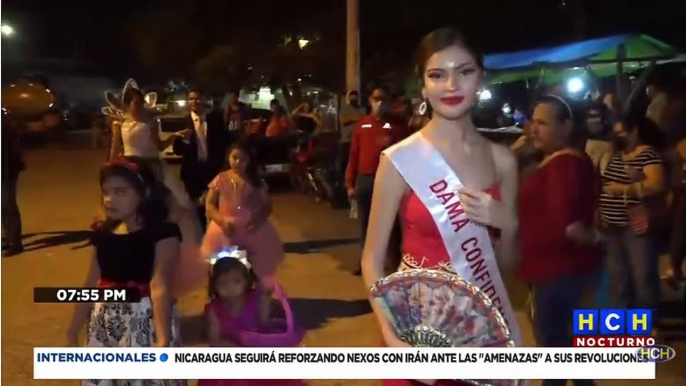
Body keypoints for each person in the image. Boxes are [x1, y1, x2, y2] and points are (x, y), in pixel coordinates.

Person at [361, 27, 521, 386]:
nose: (451, 85)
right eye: (437, 75)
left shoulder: (503, 162)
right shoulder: (401, 159)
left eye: (464, 71)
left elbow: (508, 267)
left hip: (478, 335)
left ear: (480, 77)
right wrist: (391, 335)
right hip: (416, 331)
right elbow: (371, 260)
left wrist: (507, 224)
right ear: (423, 85)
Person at [65, 158, 187, 386]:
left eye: (120, 192)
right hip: (105, 319)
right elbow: (91, 283)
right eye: (106, 192)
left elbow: (160, 286)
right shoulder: (103, 234)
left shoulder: (163, 233)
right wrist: (74, 328)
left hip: (144, 318)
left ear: (144, 193)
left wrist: (162, 337)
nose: (110, 199)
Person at [518, 95, 602, 386]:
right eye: (533, 122)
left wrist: (599, 239)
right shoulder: (557, 162)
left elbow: (571, 225)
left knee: (557, 355)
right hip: (556, 273)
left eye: (543, 123)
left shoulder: (564, 165)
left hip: (560, 275)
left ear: (567, 126)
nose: (534, 129)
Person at [105, 79, 206, 296]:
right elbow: (115, 149)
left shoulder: (149, 122)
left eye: (140, 103)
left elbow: (158, 146)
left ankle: (175, 247)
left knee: (175, 203)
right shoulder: (118, 124)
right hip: (129, 166)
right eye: (133, 103)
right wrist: (112, 170)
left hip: (151, 166)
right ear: (127, 104)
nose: (137, 106)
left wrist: (174, 137)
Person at [599, 115, 666, 324]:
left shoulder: (647, 154)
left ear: (634, 131)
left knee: (642, 275)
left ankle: (646, 323)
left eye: (623, 132)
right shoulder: (616, 154)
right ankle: (622, 322)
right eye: (616, 133)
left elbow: (657, 185)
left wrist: (623, 189)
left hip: (635, 225)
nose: (619, 137)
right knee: (618, 277)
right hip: (611, 225)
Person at [199, 256, 305, 386]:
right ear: (214, 286)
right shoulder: (214, 309)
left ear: (246, 281)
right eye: (223, 283)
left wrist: (266, 296)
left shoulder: (253, 300)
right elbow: (214, 340)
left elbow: (264, 323)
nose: (230, 287)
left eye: (236, 281)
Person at [201, 141, 284, 290]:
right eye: (234, 158)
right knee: (225, 266)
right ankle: (225, 295)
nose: (238, 162)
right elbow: (210, 205)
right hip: (225, 229)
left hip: (252, 228)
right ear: (228, 158)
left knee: (259, 265)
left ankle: (258, 295)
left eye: (243, 159)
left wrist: (259, 219)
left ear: (250, 160)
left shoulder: (256, 181)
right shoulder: (221, 178)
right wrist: (221, 221)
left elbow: (267, 205)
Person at [346, 86, 408, 275]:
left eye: (383, 99)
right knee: (366, 224)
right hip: (365, 180)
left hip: (390, 181)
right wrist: (350, 183)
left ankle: (394, 264)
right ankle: (366, 263)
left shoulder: (399, 127)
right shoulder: (362, 125)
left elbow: (407, 155)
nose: (379, 103)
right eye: (375, 98)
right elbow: (354, 156)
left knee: (392, 226)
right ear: (370, 101)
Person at [173, 89, 229, 232]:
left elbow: (224, 142)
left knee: (216, 203)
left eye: (197, 99)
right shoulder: (184, 121)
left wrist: (223, 164)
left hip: (212, 169)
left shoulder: (215, 119)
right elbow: (177, 150)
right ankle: (201, 234)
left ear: (203, 100)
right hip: (192, 171)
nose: (194, 102)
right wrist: (184, 140)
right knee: (196, 207)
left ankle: (216, 233)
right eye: (191, 99)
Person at [1, 113, 25, 257]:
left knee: (8, 206)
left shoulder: (7, 131)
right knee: (3, 207)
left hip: (7, 171)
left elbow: (15, 151)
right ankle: (8, 238)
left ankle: (15, 243)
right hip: (7, 170)